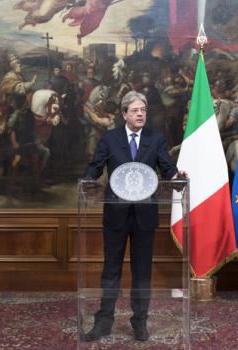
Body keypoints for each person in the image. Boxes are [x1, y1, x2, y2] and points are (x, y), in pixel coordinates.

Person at [82, 91, 187, 342]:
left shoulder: (156, 139)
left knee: (142, 271)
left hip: (144, 215)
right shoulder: (110, 138)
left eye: (144, 110)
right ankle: (104, 321)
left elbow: (167, 168)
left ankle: (140, 321)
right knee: (111, 270)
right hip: (116, 213)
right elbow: (96, 166)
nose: (140, 114)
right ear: (124, 114)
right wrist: (87, 179)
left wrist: (177, 178)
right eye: (135, 110)